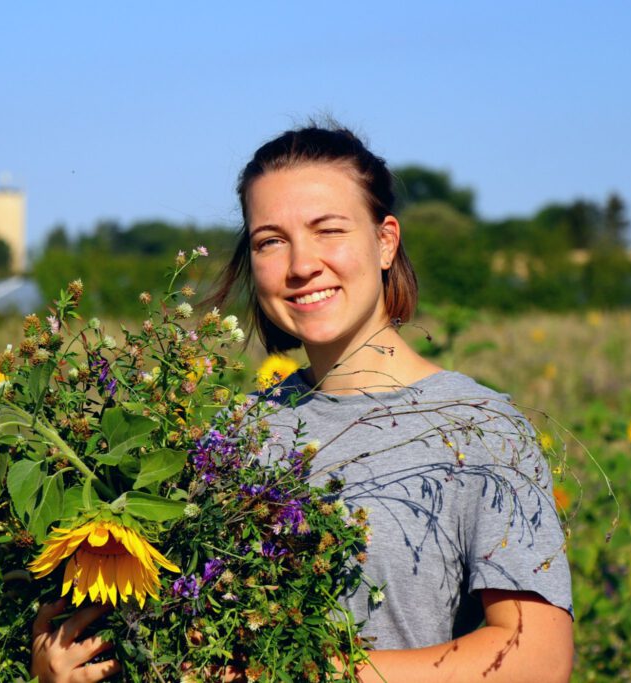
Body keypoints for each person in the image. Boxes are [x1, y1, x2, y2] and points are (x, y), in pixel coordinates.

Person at [31, 124, 574, 682]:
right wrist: (67, 667)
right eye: (271, 240)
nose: (301, 265)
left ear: (385, 241)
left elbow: (537, 658)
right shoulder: (236, 433)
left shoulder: (478, 429)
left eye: (327, 230)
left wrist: (308, 673)